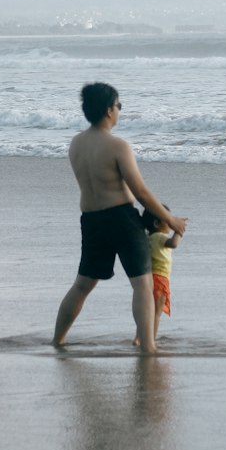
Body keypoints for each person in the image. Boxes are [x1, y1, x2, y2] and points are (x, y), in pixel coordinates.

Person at [52, 82, 188, 356]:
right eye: (118, 106)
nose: (119, 111)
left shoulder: (76, 144)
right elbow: (141, 192)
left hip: (91, 219)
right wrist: (170, 220)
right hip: (121, 218)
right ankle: (148, 347)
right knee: (142, 283)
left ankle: (58, 339)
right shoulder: (117, 146)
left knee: (82, 285)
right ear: (107, 110)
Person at [138, 207, 181, 346]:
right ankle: (151, 341)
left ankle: (138, 338)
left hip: (150, 277)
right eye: (167, 220)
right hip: (160, 277)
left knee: (148, 311)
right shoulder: (159, 237)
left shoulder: (149, 237)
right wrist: (179, 231)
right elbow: (173, 244)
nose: (170, 223)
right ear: (157, 224)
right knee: (156, 312)